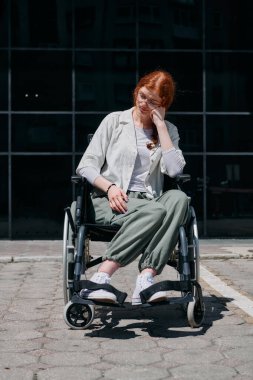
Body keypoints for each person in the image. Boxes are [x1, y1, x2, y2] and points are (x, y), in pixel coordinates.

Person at [76, 70, 189, 305]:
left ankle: (145, 279)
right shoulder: (114, 121)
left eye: (152, 101)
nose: (144, 103)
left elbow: (174, 170)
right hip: (109, 200)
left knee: (179, 199)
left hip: (148, 202)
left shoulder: (169, 130)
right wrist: (110, 188)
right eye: (142, 95)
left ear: (163, 104)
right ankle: (100, 277)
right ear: (137, 90)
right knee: (156, 211)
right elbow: (85, 166)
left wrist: (161, 126)